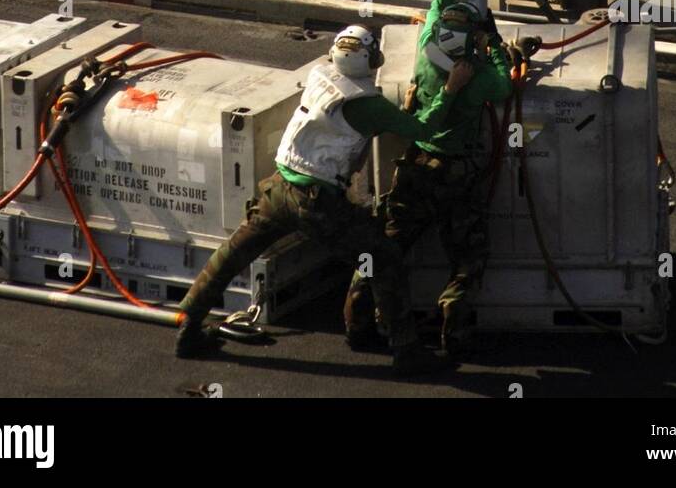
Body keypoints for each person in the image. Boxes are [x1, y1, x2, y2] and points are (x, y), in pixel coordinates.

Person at [175, 23, 472, 373]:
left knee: (233, 254)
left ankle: (189, 324)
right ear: (372, 58)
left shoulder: (319, 74)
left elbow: (346, 122)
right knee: (383, 256)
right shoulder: (369, 105)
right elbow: (424, 129)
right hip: (317, 203)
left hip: (277, 187)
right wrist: (451, 89)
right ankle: (405, 349)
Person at [345, 0, 512, 359]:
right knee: (468, 256)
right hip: (456, 174)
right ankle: (453, 322)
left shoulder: (425, 49)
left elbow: (437, 2)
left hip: (414, 168)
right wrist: (492, 41)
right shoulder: (477, 78)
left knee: (385, 248)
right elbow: (506, 82)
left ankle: (357, 321)